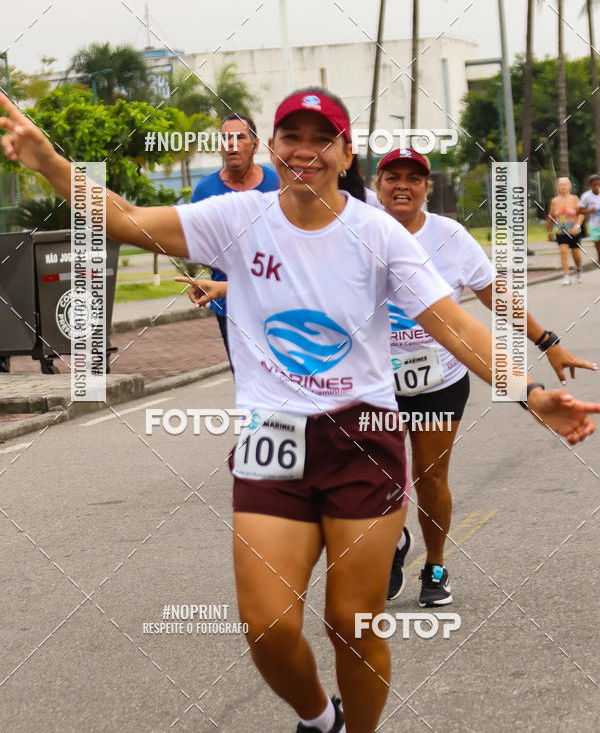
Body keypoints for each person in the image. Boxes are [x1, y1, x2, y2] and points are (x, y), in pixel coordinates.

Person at [2, 87, 598, 733]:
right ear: (272, 148)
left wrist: (529, 392)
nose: (305, 152)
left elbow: (454, 325)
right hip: (273, 439)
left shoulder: (378, 235)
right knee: (267, 627)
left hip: (363, 439)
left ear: (345, 153)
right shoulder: (237, 217)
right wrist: (47, 162)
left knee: (352, 623)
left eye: (323, 140)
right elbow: (124, 217)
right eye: (293, 138)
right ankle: (320, 720)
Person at [374, 148, 597, 607]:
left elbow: (497, 295)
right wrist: (229, 288)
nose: (402, 185)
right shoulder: (356, 232)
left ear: (427, 188)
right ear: (377, 186)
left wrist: (547, 340)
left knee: (430, 480)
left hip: (439, 379)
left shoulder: (450, 236)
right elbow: (307, 284)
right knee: (378, 480)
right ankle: (393, 542)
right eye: (392, 176)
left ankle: (434, 565)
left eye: (413, 178)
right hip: (373, 383)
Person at [189, 113, 279, 366]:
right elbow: (197, 242)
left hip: (276, 302)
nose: (232, 144)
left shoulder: (277, 184)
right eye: (226, 138)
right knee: (246, 380)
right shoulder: (205, 190)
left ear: (255, 144)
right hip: (229, 305)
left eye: (239, 137)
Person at [547, 178, 584, 285]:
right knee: (563, 252)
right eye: (561, 185)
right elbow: (550, 217)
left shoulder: (575, 199)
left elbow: (581, 214)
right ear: (558, 187)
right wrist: (549, 232)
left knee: (576, 254)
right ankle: (566, 276)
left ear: (569, 186)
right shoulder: (554, 201)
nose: (563, 187)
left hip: (574, 231)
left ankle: (579, 268)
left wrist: (577, 226)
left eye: (565, 185)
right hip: (560, 231)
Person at [577, 173, 600, 266]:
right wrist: (590, 210)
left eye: (598, 184)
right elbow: (579, 210)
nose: (596, 187)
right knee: (597, 243)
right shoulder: (586, 196)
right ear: (590, 185)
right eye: (594, 185)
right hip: (594, 224)